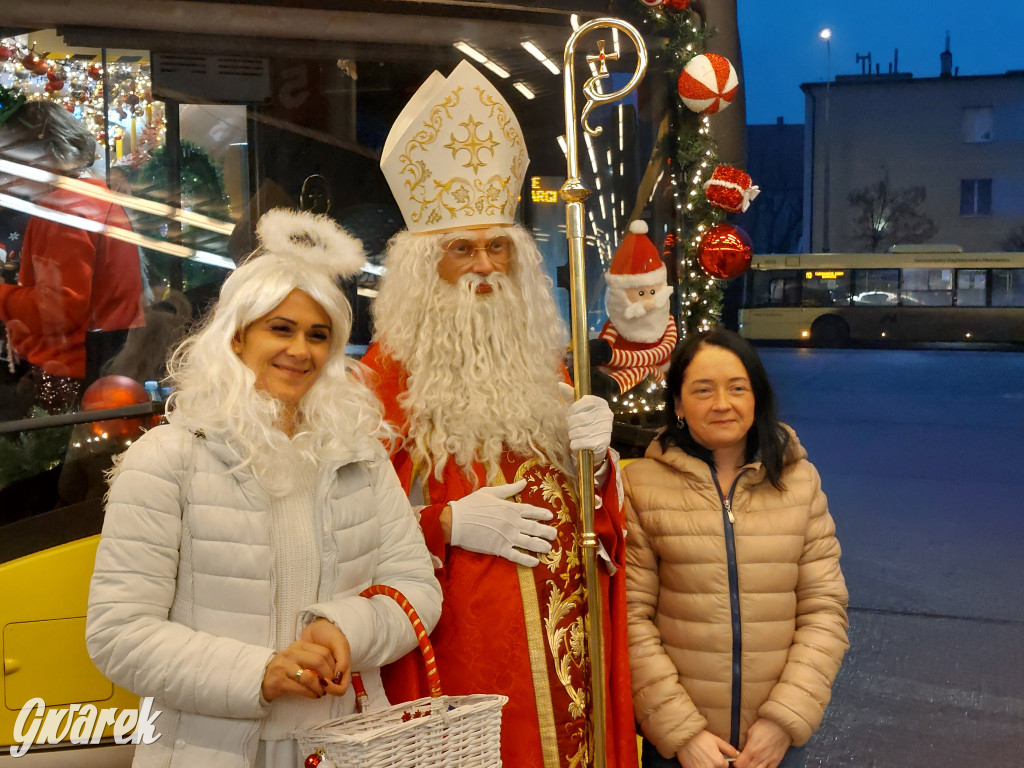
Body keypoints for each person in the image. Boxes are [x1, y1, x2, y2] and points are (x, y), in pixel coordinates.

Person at [85, 209, 442, 768]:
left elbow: (417, 588)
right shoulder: (167, 459)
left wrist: (347, 627)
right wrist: (260, 673)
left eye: (318, 335)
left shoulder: (359, 454)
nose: (300, 351)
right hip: (206, 751)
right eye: (281, 328)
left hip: (342, 746)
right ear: (236, 337)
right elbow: (119, 634)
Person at [364, 60, 638, 768]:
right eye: (461, 248)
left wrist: (601, 467)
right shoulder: (379, 380)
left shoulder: (549, 366)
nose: (485, 265)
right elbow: (341, 528)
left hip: (564, 641)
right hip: (458, 651)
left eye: (497, 247)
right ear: (425, 266)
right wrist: (446, 523)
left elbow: (598, 525)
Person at [624, 328, 849, 768]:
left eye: (737, 388)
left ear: (757, 397)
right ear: (678, 406)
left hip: (772, 747)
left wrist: (783, 721)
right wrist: (683, 732)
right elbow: (631, 619)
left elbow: (824, 609)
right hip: (680, 748)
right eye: (702, 390)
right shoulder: (641, 487)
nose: (722, 404)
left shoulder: (799, 482)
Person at [0, 92, 144, 412]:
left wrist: (3, 296)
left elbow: (59, 311)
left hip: (68, 374)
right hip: (93, 364)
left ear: (43, 155)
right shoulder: (85, 196)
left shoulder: (66, 209)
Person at [595, 220, 677, 396]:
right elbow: (604, 346)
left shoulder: (667, 321)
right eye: (641, 293)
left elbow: (666, 347)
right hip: (617, 374)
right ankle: (611, 386)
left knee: (644, 371)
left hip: (656, 376)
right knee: (642, 371)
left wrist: (612, 356)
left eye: (653, 291)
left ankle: (614, 386)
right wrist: (602, 354)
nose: (648, 300)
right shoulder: (616, 324)